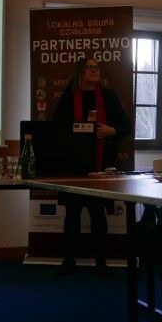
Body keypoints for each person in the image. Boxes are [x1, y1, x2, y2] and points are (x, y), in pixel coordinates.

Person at [53, 57, 131, 276]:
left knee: (98, 213)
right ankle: (69, 261)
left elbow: (126, 125)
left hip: (101, 164)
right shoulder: (69, 96)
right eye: (90, 67)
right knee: (72, 213)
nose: (95, 70)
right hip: (73, 165)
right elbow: (56, 127)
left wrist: (111, 131)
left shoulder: (108, 95)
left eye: (97, 67)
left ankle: (101, 262)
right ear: (80, 71)